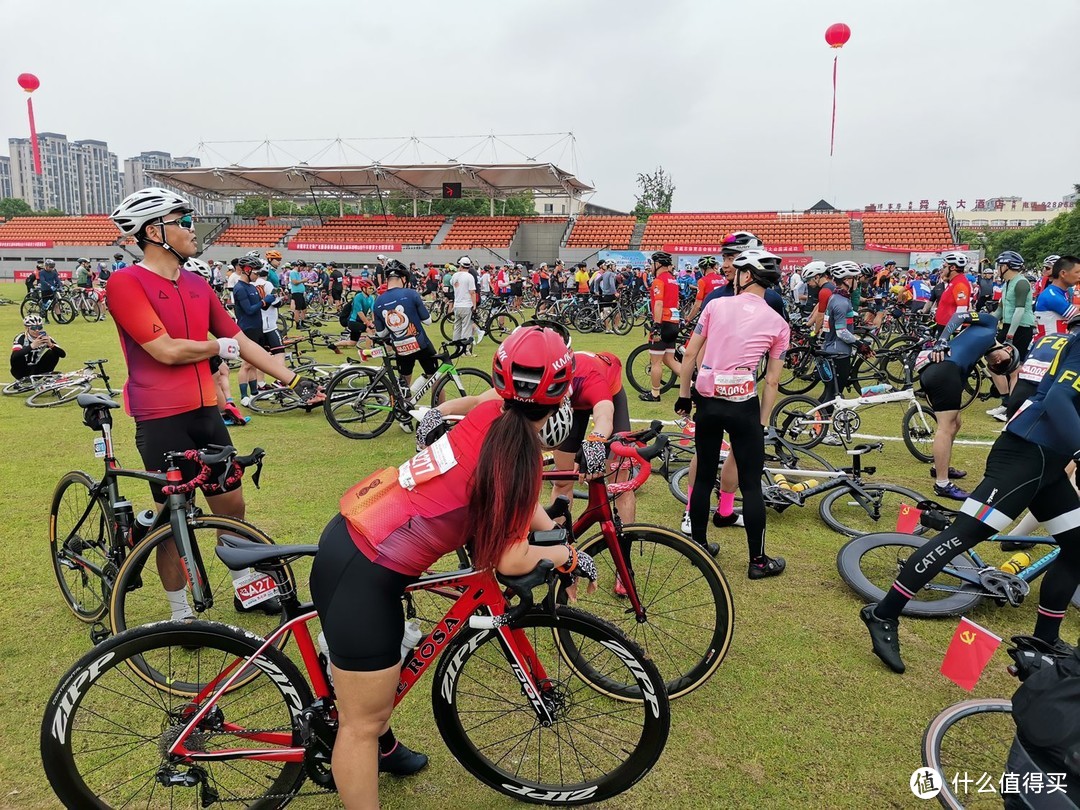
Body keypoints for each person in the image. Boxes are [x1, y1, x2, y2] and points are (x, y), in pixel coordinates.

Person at [308, 326, 596, 805]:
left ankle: (385, 746)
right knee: (360, 723)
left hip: (358, 538)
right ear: (562, 395)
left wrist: (552, 529)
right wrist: (566, 553)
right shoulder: (519, 455)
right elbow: (510, 558)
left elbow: (519, 502)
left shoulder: (489, 413)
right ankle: (370, 742)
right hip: (366, 570)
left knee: (377, 688)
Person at [107, 188, 321, 620]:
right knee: (173, 522)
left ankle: (246, 588)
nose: (192, 229)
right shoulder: (126, 281)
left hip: (206, 412)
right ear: (154, 231)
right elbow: (164, 350)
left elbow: (241, 342)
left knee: (231, 507)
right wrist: (217, 347)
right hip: (161, 417)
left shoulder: (196, 283)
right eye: (182, 221)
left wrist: (294, 380)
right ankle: (180, 612)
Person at [859, 324, 1076, 675]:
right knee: (962, 535)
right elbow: (1056, 399)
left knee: (1077, 545)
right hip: (1024, 457)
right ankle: (883, 613)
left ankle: (1046, 638)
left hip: (1047, 462)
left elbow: (1023, 392)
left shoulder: (1060, 342)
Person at [675, 250, 790, 578]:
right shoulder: (778, 323)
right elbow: (772, 380)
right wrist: (763, 421)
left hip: (708, 401)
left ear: (748, 275)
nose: (732, 275)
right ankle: (758, 561)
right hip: (744, 404)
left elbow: (690, 353)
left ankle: (699, 547)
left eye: (738, 270)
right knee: (751, 485)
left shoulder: (714, 305)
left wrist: (684, 396)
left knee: (703, 475)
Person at [912, 312, 1019, 499]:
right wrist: (942, 341)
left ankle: (940, 467)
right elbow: (959, 315)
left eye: (998, 367)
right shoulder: (991, 324)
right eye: (1004, 362)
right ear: (1008, 349)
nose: (998, 363)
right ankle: (942, 484)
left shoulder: (976, 353)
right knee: (945, 427)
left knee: (956, 422)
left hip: (942, 371)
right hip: (944, 369)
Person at [373, 261, 438, 414]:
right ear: (403, 278)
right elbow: (428, 321)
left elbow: (381, 333)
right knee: (435, 379)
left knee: (403, 384)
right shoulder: (411, 294)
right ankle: (440, 413)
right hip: (421, 344)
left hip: (401, 348)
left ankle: (404, 414)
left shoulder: (378, 302)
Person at [819, 261, 868, 444]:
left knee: (830, 393)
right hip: (838, 353)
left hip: (834, 351)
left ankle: (820, 428)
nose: (858, 282)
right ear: (847, 280)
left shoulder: (838, 298)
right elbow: (841, 332)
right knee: (832, 395)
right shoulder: (841, 302)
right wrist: (859, 343)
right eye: (855, 279)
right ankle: (823, 433)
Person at [987, 250, 1035, 421]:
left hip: (1021, 327)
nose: (998, 269)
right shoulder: (1007, 283)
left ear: (1006, 266)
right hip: (1008, 326)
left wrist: (1010, 335)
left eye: (1000, 265)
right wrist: (987, 324)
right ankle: (1006, 401)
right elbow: (1000, 310)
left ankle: (1012, 408)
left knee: (1014, 370)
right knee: (993, 363)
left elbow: (1020, 310)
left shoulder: (1021, 283)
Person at [639, 251, 682, 403]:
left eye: (652, 264)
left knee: (656, 362)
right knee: (670, 359)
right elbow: (676, 303)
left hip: (662, 322)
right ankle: (692, 384)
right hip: (673, 322)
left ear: (657, 264)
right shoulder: (673, 280)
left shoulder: (659, 280)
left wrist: (656, 325)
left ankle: (655, 394)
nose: (651, 267)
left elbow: (658, 303)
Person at [1035, 256, 1080, 339]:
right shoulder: (1050, 295)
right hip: (1047, 346)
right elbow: (1076, 313)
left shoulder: (1063, 292)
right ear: (1063, 273)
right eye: (1077, 272)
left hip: (1058, 343)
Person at [10, 314, 66, 379]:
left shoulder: (45, 338)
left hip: (37, 368)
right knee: (19, 356)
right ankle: (23, 379)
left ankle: (46, 376)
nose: (37, 330)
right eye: (33, 328)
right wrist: (32, 346)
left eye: (39, 327)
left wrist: (51, 345)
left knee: (53, 352)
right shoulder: (21, 338)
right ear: (26, 328)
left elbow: (63, 355)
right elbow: (14, 356)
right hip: (21, 370)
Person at [933, 252, 972, 334]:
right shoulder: (953, 282)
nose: (942, 269)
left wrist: (951, 331)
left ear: (953, 268)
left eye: (944, 267)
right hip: (942, 325)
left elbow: (962, 310)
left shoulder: (960, 283)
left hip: (948, 329)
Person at [451, 257, 477, 345]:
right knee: (466, 328)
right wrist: (474, 305)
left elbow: (452, 283)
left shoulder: (455, 275)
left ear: (460, 265)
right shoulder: (470, 277)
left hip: (457, 304)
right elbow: (472, 292)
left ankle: (456, 346)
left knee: (457, 327)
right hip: (466, 305)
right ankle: (465, 349)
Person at [288, 259, 309, 330]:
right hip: (296, 293)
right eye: (302, 267)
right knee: (298, 309)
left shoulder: (298, 273)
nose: (303, 269)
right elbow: (294, 282)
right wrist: (303, 280)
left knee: (304, 309)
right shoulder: (293, 272)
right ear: (299, 266)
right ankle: (297, 324)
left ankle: (302, 322)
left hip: (300, 292)